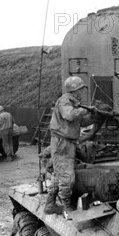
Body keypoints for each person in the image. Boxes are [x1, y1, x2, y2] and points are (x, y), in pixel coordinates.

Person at [43, 76, 92, 215]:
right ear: (75, 90)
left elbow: (79, 122)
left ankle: (50, 204)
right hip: (62, 143)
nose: (82, 92)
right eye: (81, 89)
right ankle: (67, 207)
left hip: (67, 142)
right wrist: (85, 110)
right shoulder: (65, 101)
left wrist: (93, 116)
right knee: (67, 177)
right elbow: (69, 115)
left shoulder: (73, 102)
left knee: (59, 174)